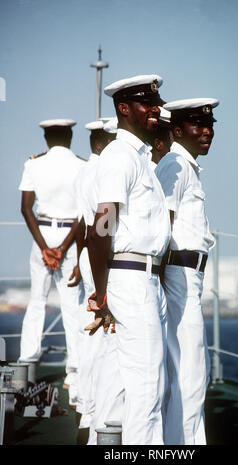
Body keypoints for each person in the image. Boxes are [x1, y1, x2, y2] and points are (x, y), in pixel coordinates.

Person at [86, 75, 171, 445]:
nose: (156, 109)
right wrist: (101, 294)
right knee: (147, 387)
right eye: (147, 103)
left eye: (157, 102)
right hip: (132, 279)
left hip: (148, 281)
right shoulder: (120, 157)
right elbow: (100, 228)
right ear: (124, 109)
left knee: (141, 381)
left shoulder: (141, 160)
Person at [155, 98, 219, 445]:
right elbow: (161, 226)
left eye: (210, 126)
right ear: (178, 130)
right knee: (190, 373)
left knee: (190, 371)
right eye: (199, 125)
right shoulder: (175, 165)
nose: (207, 131)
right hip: (177, 274)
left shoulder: (186, 166)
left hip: (188, 276)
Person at [18, 119, 85, 406]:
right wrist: (62, 248)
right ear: (70, 136)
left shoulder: (33, 164)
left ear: (46, 137)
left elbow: (25, 208)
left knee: (37, 301)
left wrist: (46, 248)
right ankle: (74, 372)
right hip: (71, 235)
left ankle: (26, 366)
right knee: (73, 306)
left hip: (42, 233)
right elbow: (85, 214)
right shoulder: (83, 165)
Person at [72, 118, 117, 435]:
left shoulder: (86, 172)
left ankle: (87, 407)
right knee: (105, 337)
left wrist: (79, 260)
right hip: (105, 258)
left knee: (93, 337)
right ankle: (98, 414)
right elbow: (102, 228)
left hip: (91, 255)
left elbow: (83, 225)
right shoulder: (105, 172)